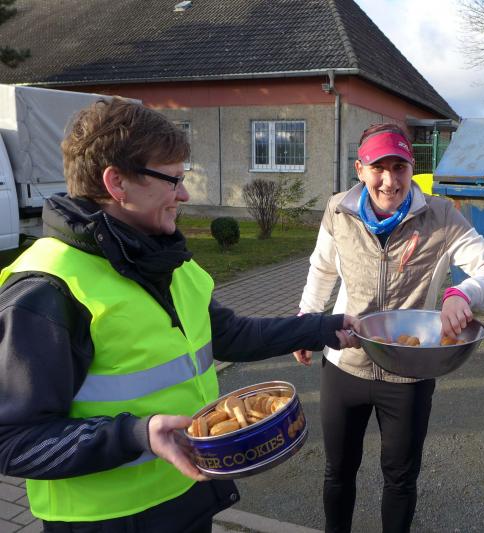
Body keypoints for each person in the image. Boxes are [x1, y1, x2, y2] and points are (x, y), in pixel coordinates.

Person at [0, 97, 361, 533]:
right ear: (117, 183)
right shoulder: (47, 288)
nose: (185, 195)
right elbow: (12, 440)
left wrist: (323, 327)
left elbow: (230, 334)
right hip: (106, 521)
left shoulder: (165, 260)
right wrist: (135, 435)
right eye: (173, 180)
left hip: (185, 495)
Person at [293, 123, 484, 532]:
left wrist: (463, 294)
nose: (390, 181)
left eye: (400, 168)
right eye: (378, 167)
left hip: (408, 375)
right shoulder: (338, 210)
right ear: (360, 169)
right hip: (344, 367)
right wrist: (306, 320)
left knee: (400, 479)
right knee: (338, 471)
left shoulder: (440, 216)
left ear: (413, 168)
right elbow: (321, 269)